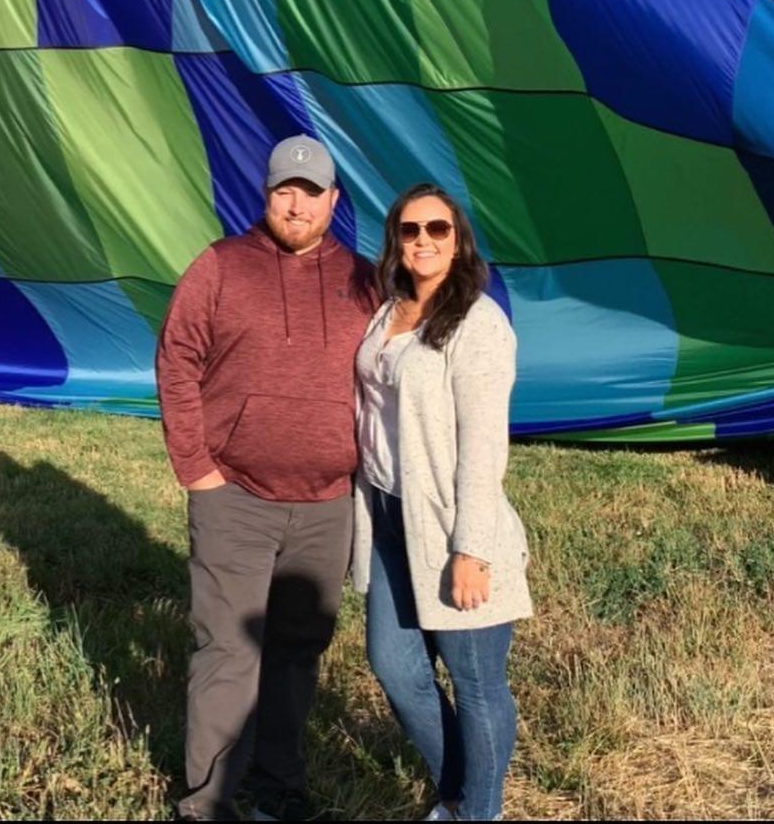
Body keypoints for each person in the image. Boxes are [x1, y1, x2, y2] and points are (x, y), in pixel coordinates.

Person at [157, 136, 377, 823]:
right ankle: (210, 801)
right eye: (285, 190)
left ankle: (279, 785)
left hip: (327, 506)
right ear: (267, 193)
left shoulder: (365, 280)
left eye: (310, 194)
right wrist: (198, 470)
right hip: (236, 498)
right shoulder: (220, 267)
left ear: (333, 202)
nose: (296, 204)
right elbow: (177, 359)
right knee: (227, 651)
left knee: (296, 652)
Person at [351, 184, 532, 823]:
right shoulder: (389, 312)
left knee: (476, 683)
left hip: (449, 524)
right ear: (395, 241)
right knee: (395, 668)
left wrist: (471, 548)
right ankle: (458, 791)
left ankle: (477, 811)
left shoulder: (478, 325)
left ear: (459, 241)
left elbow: (485, 447)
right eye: (410, 229)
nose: (423, 240)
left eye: (438, 229)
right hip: (386, 515)